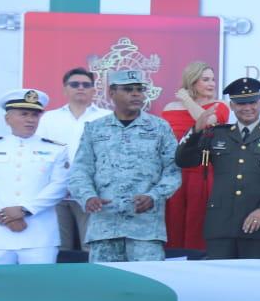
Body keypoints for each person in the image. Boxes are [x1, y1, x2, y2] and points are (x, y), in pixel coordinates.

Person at [174, 78, 260, 260]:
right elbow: (183, 160)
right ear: (232, 105)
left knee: (255, 283)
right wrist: (196, 131)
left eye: (252, 102)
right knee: (219, 284)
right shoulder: (216, 134)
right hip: (220, 225)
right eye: (240, 103)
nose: (247, 107)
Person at [67, 70, 180, 263]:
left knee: (146, 287)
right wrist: (88, 196)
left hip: (145, 229)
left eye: (140, 89)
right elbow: (80, 170)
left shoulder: (160, 128)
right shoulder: (95, 128)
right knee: (105, 288)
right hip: (104, 227)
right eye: (128, 89)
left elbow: (173, 171)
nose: (136, 94)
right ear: (111, 93)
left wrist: (154, 196)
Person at [0, 89, 70, 266]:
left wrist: (25, 209)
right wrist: (4, 213)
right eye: (23, 114)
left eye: (35, 115)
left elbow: (60, 185)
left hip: (39, 236)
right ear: (7, 118)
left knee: (39, 288)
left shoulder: (56, 149)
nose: (30, 119)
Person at [158, 61, 229, 251]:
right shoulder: (170, 108)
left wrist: (188, 101)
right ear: (192, 81)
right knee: (173, 221)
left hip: (203, 172)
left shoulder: (220, 105)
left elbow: (207, 122)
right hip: (175, 172)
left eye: (213, 80)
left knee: (197, 222)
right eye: (205, 79)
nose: (212, 84)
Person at [40, 68, 109, 252]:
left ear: (94, 90)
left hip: (91, 194)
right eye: (75, 84)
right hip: (56, 194)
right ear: (65, 89)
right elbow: (40, 153)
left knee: (92, 248)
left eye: (86, 85)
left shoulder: (106, 118)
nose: (81, 88)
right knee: (59, 249)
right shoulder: (49, 118)